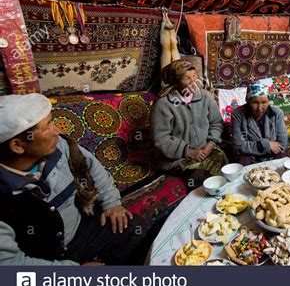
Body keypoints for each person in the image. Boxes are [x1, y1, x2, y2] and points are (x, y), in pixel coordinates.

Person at [0, 94, 151, 265]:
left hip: (81, 230)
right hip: (43, 258)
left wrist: (112, 203)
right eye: (47, 126)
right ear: (18, 146)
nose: (57, 130)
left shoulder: (60, 147)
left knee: (134, 230)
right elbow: (9, 265)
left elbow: (94, 169)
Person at [151, 60, 227, 188]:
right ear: (176, 82)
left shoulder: (206, 97)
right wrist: (189, 152)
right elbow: (161, 139)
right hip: (179, 158)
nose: (193, 82)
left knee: (226, 169)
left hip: (206, 150)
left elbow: (216, 124)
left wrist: (210, 145)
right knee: (200, 179)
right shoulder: (164, 105)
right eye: (187, 78)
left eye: (194, 76)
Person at [231, 83, 288, 165]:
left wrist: (251, 146)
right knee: (243, 165)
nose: (260, 108)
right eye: (255, 103)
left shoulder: (276, 113)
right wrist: (266, 145)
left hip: (272, 154)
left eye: (264, 102)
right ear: (248, 101)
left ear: (269, 101)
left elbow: (283, 144)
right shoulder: (237, 114)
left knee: (282, 164)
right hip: (249, 156)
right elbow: (238, 145)